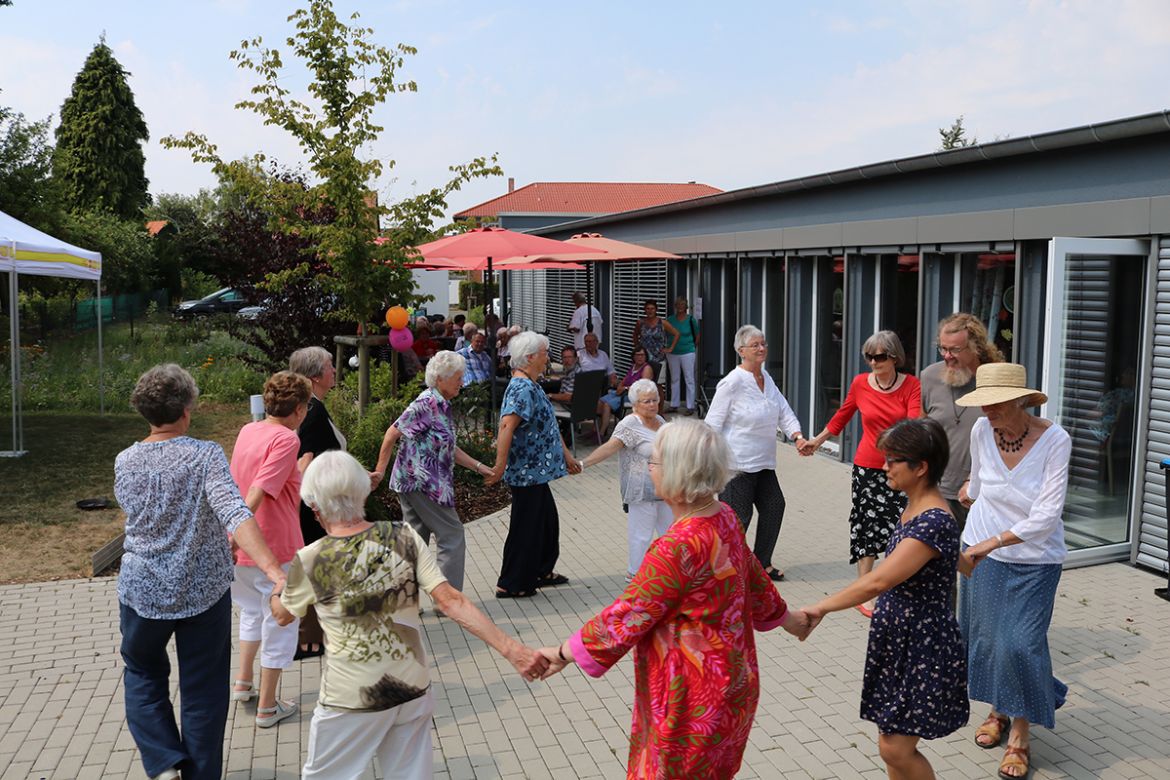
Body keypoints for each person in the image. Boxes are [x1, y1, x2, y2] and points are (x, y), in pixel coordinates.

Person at [536, 420, 812, 778]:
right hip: (734, 687)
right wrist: (793, 621)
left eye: (655, 461)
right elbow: (756, 580)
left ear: (679, 473)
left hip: (689, 699)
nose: (649, 468)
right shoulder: (724, 517)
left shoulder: (677, 547)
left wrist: (561, 653)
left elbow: (628, 614)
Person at [274, 452, 548, 779]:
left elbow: (282, 616)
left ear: (315, 507)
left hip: (351, 699)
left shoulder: (311, 559)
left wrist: (278, 587)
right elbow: (451, 601)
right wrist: (513, 650)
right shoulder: (402, 536)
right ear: (364, 492)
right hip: (412, 689)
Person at [115, 365, 286, 780]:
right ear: (187, 409)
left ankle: (163, 761)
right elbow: (234, 510)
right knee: (204, 691)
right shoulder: (204, 454)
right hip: (201, 592)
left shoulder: (125, 461)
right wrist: (272, 569)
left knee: (141, 672)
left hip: (142, 592)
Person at [802, 418, 968, 780]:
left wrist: (821, 607)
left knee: (895, 747)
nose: (884, 465)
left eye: (894, 460)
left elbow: (877, 581)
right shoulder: (914, 507)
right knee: (890, 742)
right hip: (899, 639)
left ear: (920, 468)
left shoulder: (934, 520)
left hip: (921, 644)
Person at [954, 363, 1071, 780]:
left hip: (1033, 558)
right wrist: (969, 491)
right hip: (981, 546)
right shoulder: (982, 430)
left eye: (997, 403)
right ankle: (1000, 710)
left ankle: (1021, 733)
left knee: (1021, 644)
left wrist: (990, 542)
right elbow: (982, 483)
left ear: (1022, 399)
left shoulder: (1055, 440)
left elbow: (1045, 516)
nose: (988, 410)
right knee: (985, 640)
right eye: (983, 402)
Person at [801, 330, 921, 615]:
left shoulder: (911, 385)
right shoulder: (859, 384)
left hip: (900, 467)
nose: (873, 362)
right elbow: (842, 416)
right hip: (867, 467)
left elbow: (915, 423)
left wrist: (899, 456)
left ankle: (895, 585)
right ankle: (865, 592)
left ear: (894, 357)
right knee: (867, 526)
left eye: (878, 356)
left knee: (900, 527)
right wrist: (816, 442)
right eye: (868, 356)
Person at [228, 370, 313, 728]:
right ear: (297, 409)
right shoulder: (288, 439)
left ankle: (243, 683)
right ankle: (267, 707)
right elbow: (260, 489)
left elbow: (255, 477)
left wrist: (233, 533)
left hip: (242, 549)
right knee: (281, 621)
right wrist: (238, 531)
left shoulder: (249, 430)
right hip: (273, 545)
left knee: (251, 613)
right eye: (306, 406)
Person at [370, 351, 495, 593]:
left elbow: (448, 447)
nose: (462, 382)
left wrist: (479, 467)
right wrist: (379, 471)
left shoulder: (441, 404)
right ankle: (448, 599)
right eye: (458, 377)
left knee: (415, 541)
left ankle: (404, 597)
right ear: (440, 379)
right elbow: (392, 433)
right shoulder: (426, 403)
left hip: (414, 482)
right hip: (423, 483)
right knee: (452, 535)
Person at [485, 331, 582, 597]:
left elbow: (549, 425)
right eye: (544, 353)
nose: (547, 357)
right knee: (525, 526)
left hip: (537, 473)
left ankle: (541, 570)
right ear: (529, 357)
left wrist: (567, 456)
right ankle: (511, 583)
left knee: (547, 523)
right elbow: (506, 425)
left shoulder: (532, 383)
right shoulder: (522, 388)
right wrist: (499, 466)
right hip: (526, 473)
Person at [706, 325, 804, 582]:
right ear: (741, 351)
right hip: (735, 464)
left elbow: (783, 410)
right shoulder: (732, 383)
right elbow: (712, 424)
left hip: (763, 462)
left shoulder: (766, 378)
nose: (762, 348)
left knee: (774, 507)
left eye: (763, 343)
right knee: (737, 519)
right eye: (755, 345)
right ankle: (724, 571)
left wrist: (797, 436)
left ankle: (762, 563)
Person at [577, 379, 671, 578]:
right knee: (641, 537)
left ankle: (672, 575)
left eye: (655, 400)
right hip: (641, 491)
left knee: (671, 534)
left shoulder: (661, 422)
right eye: (647, 401)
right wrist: (584, 464)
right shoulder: (629, 424)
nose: (653, 404)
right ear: (635, 404)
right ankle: (634, 575)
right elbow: (610, 447)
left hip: (665, 489)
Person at [919, 313, 1004, 524]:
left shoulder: (997, 380)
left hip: (986, 494)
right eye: (942, 348)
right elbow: (921, 432)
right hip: (937, 490)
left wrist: (973, 479)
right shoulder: (929, 377)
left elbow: (1010, 438)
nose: (947, 356)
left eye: (955, 349)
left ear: (976, 347)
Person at [289, 346, 345, 660]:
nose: (334, 370)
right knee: (316, 568)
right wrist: (315, 506)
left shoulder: (312, 407)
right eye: (329, 366)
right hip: (314, 508)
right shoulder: (312, 410)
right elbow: (305, 462)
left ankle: (313, 637)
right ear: (314, 377)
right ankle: (308, 640)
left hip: (317, 502)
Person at [597, 346, 655, 439]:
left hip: (635, 396)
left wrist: (626, 388)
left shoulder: (646, 368)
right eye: (637, 355)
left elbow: (643, 386)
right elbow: (625, 380)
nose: (640, 357)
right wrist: (620, 386)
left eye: (642, 355)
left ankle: (602, 433)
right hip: (624, 392)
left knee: (607, 404)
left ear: (646, 356)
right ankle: (597, 428)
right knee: (600, 401)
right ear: (633, 357)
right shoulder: (633, 367)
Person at [664, 296, 700, 415]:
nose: (680, 307)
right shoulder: (670, 319)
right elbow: (665, 334)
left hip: (688, 352)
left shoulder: (691, 320)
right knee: (675, 379)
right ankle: (674, 404)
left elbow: (697, 335)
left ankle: (690, 406)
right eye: (678, 304)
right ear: (675, 306)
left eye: (682, 304)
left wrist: (692, 347)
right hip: (673, 352)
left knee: (689, 379)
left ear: (686, 306)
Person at [631, 298, 679, 373]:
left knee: (658, 383)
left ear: (656, 310)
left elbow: (677, 334)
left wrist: (670, 348)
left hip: (659, 359)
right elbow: (635, 335)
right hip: (644, 359)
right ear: (645, 310)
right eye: (648, 309)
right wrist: (638, 348)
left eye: (652, 309)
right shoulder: (640, 323)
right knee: (644, 382)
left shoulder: (662, 323)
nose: (650, 311)